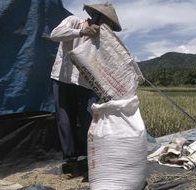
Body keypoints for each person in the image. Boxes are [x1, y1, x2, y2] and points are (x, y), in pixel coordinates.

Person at [50, 3, 122, 178]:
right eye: (105, 22)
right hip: (63, 79)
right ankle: (71, 163)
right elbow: (55, 35)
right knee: (65, 121)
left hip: (86, 85)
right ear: (95, 17)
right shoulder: (74, 21)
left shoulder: (101, 41)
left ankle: (94, 162)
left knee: (90, 121)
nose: (106, 27)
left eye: (109, 25)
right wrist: (81, 33)